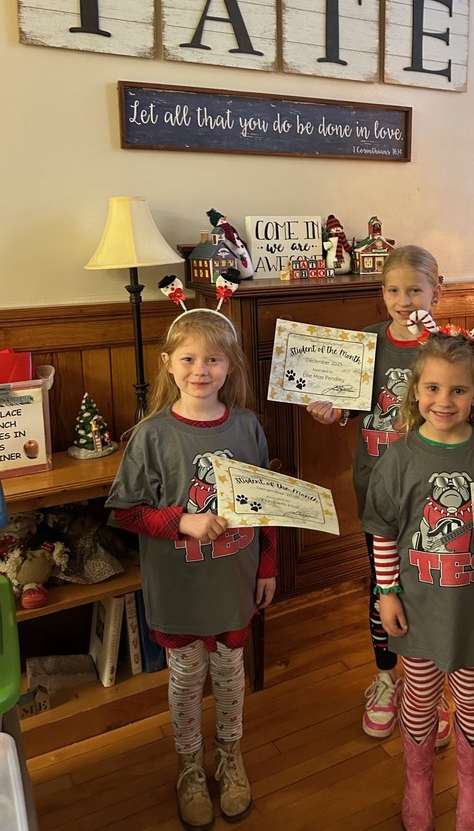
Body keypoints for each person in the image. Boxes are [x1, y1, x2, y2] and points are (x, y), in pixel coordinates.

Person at [106, 308, 276, 831]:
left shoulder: (247, 425)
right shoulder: (151, 435)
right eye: (189, 358)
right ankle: (189, 765)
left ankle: (230, 755)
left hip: (233, 581)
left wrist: (266, 564)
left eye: (213, 359)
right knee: (185, 679)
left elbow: (266, 503)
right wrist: (182, 520)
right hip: (180, 587)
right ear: (168, 364)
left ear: (230, 366)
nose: (200, 369)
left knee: (229, 673)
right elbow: (125, 510)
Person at [362, 331, 474, 831]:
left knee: (471, 695)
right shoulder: (398, 458)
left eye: (456, 390)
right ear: (415, 392)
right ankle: (418, 783)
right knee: (420, 693)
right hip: (417, 604)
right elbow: (384, 533)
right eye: (432, 388)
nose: (443, 401)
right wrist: (386, 593)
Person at [307, 245, 452, 744]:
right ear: (381, 292)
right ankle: (387, 677)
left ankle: (427, 689)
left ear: (437, 289)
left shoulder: (447, 347)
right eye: (393, 290)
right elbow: (347, 407)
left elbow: (468, 405)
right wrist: (332, 411)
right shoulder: (366, 342)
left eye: (415, 289)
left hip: (434, 492)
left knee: (431, 584)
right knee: (383, 583)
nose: (404, 299)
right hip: (378, 490)